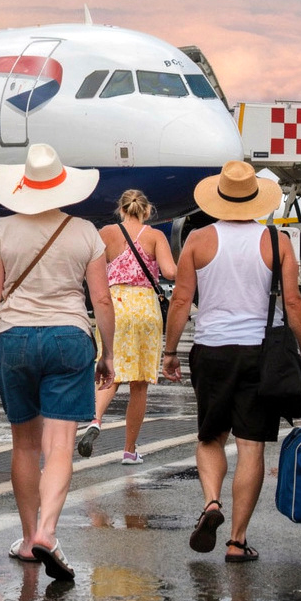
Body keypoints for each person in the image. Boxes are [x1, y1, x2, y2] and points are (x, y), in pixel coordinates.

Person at [0, 143, 114, 583]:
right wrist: (108, 353)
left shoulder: (3, 231)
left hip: (14, 340)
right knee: (61, 444)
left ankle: (29, 539)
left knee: (25, 443)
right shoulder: (86, 231)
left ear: (23, 186)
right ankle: (49, 529)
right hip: (70, 338)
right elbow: (101, 298)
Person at [161, 161, 301, 563]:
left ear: (219, 198)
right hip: (262, 352)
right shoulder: (277, 241)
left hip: (211, 350)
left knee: (210, 437)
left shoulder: (197, 240)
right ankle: (237, 540)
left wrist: (170, 351)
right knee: (250, 446)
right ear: (255, 199)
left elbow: (180, 300)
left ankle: (211, 502)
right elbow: (294, 303)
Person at [89, 190, 177, 462]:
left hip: (114, 305)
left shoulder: (105, 233)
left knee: (109, 370)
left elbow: (89, 269)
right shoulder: (155, 236)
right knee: (139, 384)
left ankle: (95, 419)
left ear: (121, 209)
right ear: (146, 210)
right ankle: (129, 450)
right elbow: (171, 273)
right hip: (145, 308)